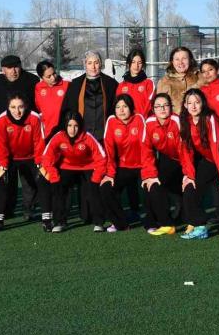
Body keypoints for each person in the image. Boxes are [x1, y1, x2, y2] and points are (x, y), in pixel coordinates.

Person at [100, 94, 173, 234]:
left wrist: (149, 174)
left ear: (131, 108)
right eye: (118, 107)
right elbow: (109, 152)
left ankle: (153, 222)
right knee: (105, 187)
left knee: (151, 187)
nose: (121, 110)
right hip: (122, 167)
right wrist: (109, 174)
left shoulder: (139, 119)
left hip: (141, 165)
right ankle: (121, 223)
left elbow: (146, 149)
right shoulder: (111, 121)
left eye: (125, 106)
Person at [179, 89, 219, 244]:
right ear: (185, 105)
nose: (193, 106)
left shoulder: (210, 118)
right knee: (190, 187)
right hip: (210, 160)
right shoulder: (185, 120)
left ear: (203, 104)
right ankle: (200, 226)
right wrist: (189, 175)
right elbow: (186, 151)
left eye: (197, 102)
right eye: (190, 103)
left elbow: (216, 148)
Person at [0, 54, 41, 219]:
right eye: (9, 68)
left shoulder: (32, 81)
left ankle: (29, 208)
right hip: (4, 137)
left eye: (16, 67)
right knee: (6, 176)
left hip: (27, 135)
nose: (14, 71)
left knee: (28, 179)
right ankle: (6, 209)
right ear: (3, 70)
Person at [0, 94, 52, 232]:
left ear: (26, 106)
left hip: (31, 157)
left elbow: (39, 142)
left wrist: (40, 164)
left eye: (20, 107)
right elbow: (1, 145)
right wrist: (3, 165)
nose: (17, 111)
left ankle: (47, 219)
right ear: (8, 107)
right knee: (1, 179)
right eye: (13, 107)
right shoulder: (2, 119)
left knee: (43, 178)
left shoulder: (34, 117)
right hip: (11, 158)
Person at [41, 111, 107, 233]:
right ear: (65, 125)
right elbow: (46, 157)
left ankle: (98, 222)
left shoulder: (87, 137)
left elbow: (101, 157)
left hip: (87, 166)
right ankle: (60, 222)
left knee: (94, 189)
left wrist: (96, 177)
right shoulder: (59, 136)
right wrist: (54, 176)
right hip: (67, 166)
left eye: (76, 126)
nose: (73, 129)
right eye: (70, 125)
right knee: (58, 187)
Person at [143, 92, 184, 226]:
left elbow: (185, 151)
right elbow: (146, 151)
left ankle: (172, 217)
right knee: (151, 182)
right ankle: (153, 220)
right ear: (153, 109)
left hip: (182, 158)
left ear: (171, 107)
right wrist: (150, 175)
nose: (162, 109)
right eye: (158, 106)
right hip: (167, 156)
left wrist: (188, 173)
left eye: (165, 105)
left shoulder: (177, 121)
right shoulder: (149, 123)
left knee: (171, 182)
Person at [61, 50, 118, 142]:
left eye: (96, 63)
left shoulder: (111, 84)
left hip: (104, 136)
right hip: (82, 136)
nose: (93, 67)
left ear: (100, 64)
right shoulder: (75, 85)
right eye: (89, 63)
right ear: (85, 65)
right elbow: (67, 110)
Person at [156, 47, 201, 115]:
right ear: (172, 62)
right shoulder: (164, 81)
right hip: (175, 120)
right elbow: (159, 107)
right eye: (177, 59)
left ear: (190, 60)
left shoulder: (199, 77)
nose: (180, 62)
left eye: (184, 58)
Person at [34, 59, 70, 138]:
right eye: (48, 76)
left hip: (65, 129)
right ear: (41, 77)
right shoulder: (38, 87)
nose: (53, 78)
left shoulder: (67, 84)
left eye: (54, 73)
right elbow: (39, 107)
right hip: (48, 131)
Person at [117, 48, 155, 117]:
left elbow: (150, 105)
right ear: (128, 64)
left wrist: (141, 119)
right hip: (127, 122)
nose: (136, 65)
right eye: (133, 62)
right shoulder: (121, 86)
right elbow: (118, 106)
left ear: (143, 64)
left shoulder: (149, 83)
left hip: (143, 121)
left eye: (139, 62)